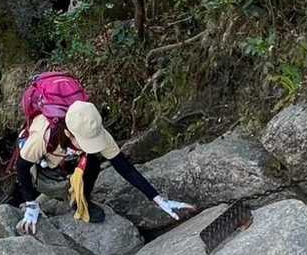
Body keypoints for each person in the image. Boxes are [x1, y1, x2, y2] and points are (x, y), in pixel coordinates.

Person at [13, 90, 192, 234]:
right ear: (68, 133)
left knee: (93, 162)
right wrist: (31, 204)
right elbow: (21, 168)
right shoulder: (42, 137)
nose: (91, 145)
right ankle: (63, 193)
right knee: (56, 177)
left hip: (68, 161)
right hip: (43, 171)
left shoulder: (93, 129)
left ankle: (80, 200)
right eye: (84, 142)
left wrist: (158, 199)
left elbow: (125, 168)